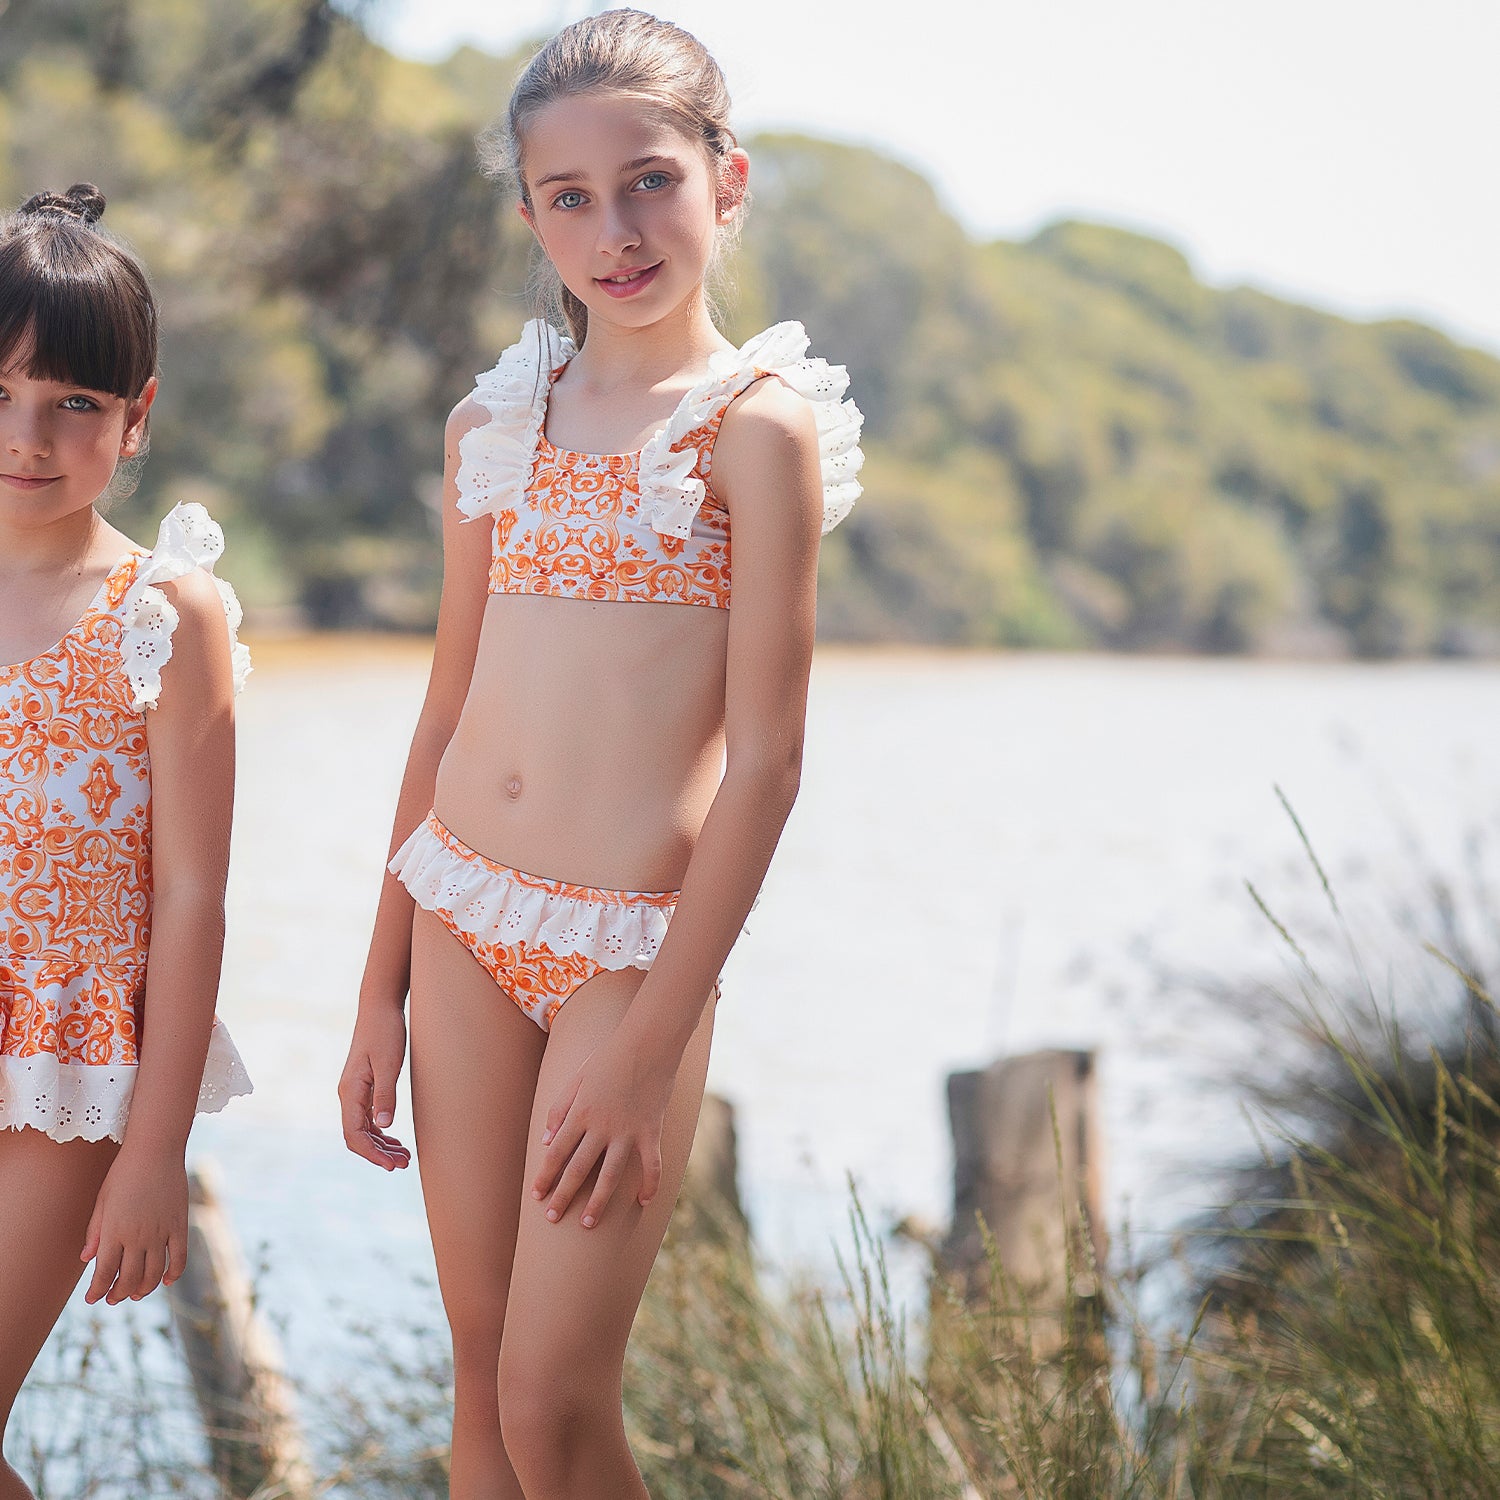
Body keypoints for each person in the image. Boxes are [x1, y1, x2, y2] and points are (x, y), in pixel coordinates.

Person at [338, 10, 862, 1497]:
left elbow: (765, 762)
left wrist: (643, 1052)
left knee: (555, 1403)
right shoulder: (495, 423)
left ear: (726, 180)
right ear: (530, 215)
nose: (614, 229)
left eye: (648, 182)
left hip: (627, 954)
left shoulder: (754, 433)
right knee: (478, 1385)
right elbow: (442, 717)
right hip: (456, 917)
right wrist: (376, 985)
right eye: (568, 197)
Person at [0, 184, 253, 1500]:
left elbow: (196, 900)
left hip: (69, 1057)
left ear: (136, 417)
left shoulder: (165, 610)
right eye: (1, 395)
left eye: (74, 405)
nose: (28, 436)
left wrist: (155, 1156)